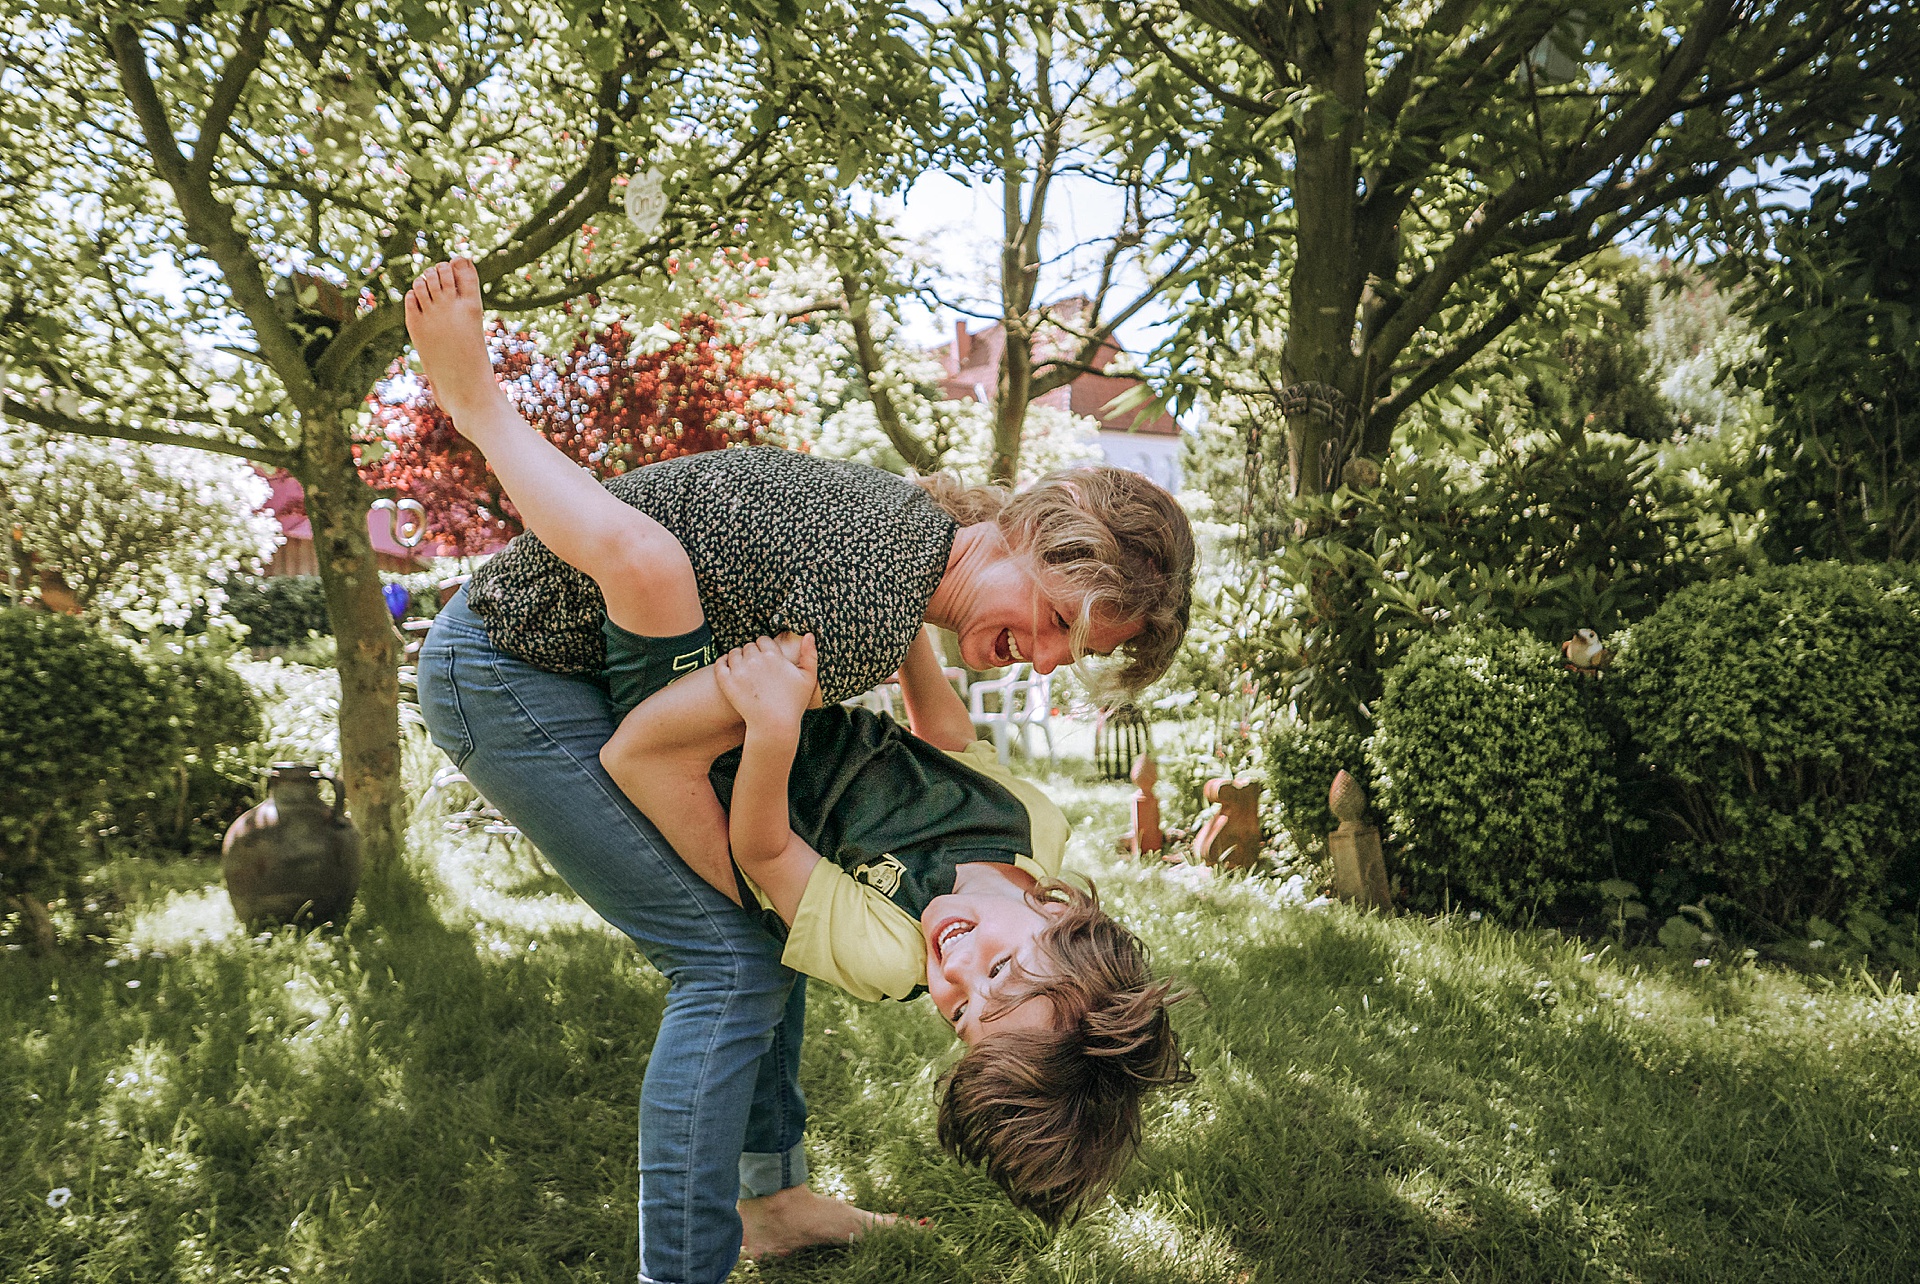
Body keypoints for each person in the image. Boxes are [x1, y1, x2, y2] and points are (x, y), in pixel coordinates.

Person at [407, 258, 1194, 1282]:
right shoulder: (869, 619)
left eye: (1070, 654)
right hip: (513, 671)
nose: (1047, 658)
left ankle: (773, 1204)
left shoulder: (905, 558)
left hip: (630, 677)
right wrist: (773, 746)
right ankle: (682, 1267)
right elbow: (692, 759)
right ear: (1028, 533)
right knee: (732, 964)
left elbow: (943, 743)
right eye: (1054, 621)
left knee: (765, 939)